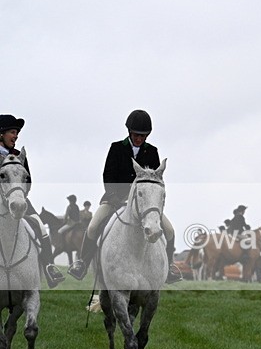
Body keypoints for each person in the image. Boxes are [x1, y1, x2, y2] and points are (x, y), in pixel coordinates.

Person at [68, 110, 182, 283]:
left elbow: (155, 179)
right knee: (92, 226)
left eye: (143, 136)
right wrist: (115, 196)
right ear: (129, 132)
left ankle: (170, 268)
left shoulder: (152, 151)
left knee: (170, 230)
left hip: (143, 203)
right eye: (136, 135)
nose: (139, 139)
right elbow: (108, 175)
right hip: (115, 199)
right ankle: (82, 263)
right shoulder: (116, 148)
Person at [0, 114, 65, 288]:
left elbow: (28, 181)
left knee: (40, 226)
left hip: (18, 199)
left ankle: (50, 268)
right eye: (13, 132)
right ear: (1, 134)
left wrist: (19, 194)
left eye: (17, 134)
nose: (16, 137)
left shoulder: (19, 155)